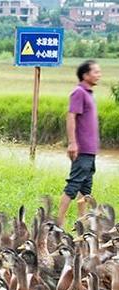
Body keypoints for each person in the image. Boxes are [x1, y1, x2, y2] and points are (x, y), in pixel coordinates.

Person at [57, 60, 101, 227]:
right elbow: (71, 116)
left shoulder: (89, 93)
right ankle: (58, 224)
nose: (99, 75)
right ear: (85, 75)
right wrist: (72, 143)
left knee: (86, 188)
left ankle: (81, 224)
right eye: (95, 72)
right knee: (73, 185)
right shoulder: (79, 92)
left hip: (90, 150)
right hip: (81, 149)